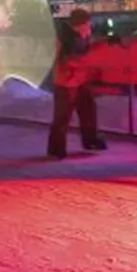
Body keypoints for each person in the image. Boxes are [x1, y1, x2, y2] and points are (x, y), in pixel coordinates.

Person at [47, 8, 108, 159]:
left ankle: (90, 139)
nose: (89, 25)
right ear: (80, 23)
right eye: (87, 22)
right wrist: (84, 65)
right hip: (66, 82)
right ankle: (56, 148)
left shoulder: (82, 34)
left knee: (88, 108)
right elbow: (65, 59)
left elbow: (86, 49)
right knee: (62, 116)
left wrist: (105, 42)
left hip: (79, 79)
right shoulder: (65, 38)